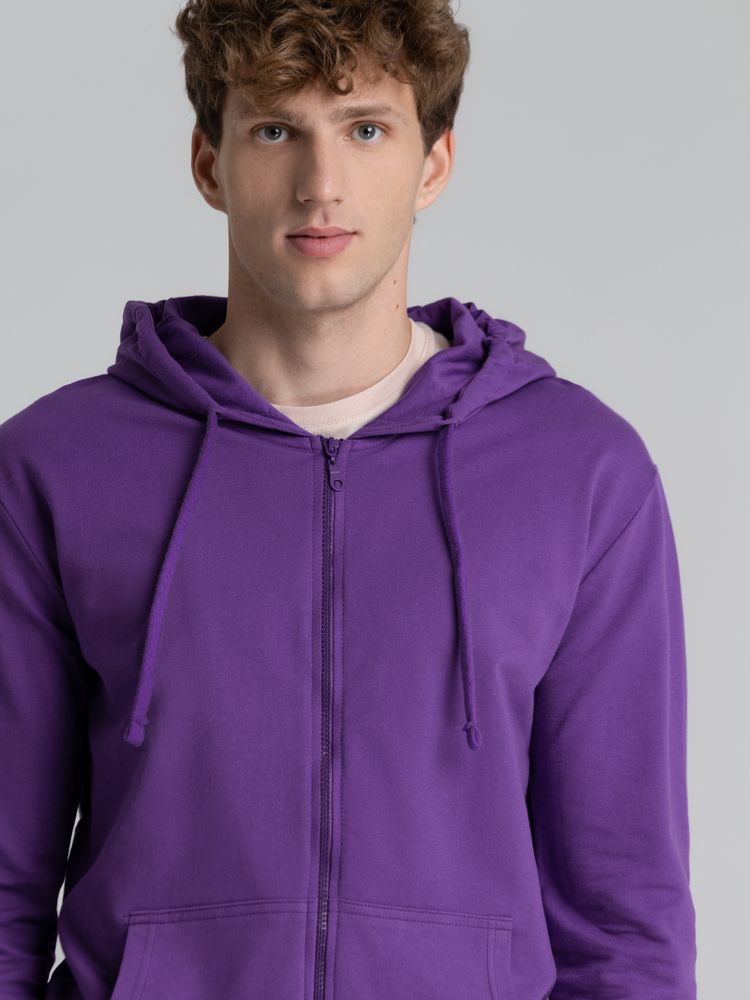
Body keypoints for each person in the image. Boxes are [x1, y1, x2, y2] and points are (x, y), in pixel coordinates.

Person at [0, 1, 697, 998]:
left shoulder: (582, 474)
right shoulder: (55, 469)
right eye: (275, 130)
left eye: (366, 129)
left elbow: (626, 921)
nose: (321, 185)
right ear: (209, 163)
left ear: (433, 164)